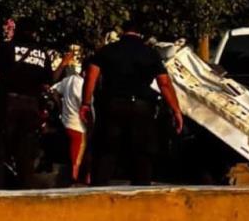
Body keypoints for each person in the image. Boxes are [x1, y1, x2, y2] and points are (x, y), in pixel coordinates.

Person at [79, 19, 183, 186]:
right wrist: (176, 109)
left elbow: (91, 76)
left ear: (122, 32)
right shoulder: (150, 53)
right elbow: (164, 83)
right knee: (141, 154)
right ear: (140, 33)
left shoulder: (107, 51)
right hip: (142, 107)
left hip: (112, 105)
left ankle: (98, 190)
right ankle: (141, 192)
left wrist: (85, 103)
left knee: (106, 151)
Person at [0, 18, 53, 189]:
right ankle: (24, 190)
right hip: (31, 106)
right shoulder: (42, 53)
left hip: (8, 103)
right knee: (25, 151)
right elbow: (47, 83)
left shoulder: (7, 47)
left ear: (17, 30)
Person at [50, 46, 90, 184]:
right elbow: (88, 108)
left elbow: (53, 89)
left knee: (70, 159)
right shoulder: (85, 86)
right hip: (79, 127)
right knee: (76, 162)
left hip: (66, 123)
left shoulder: (69, 80)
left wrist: (60, 107)